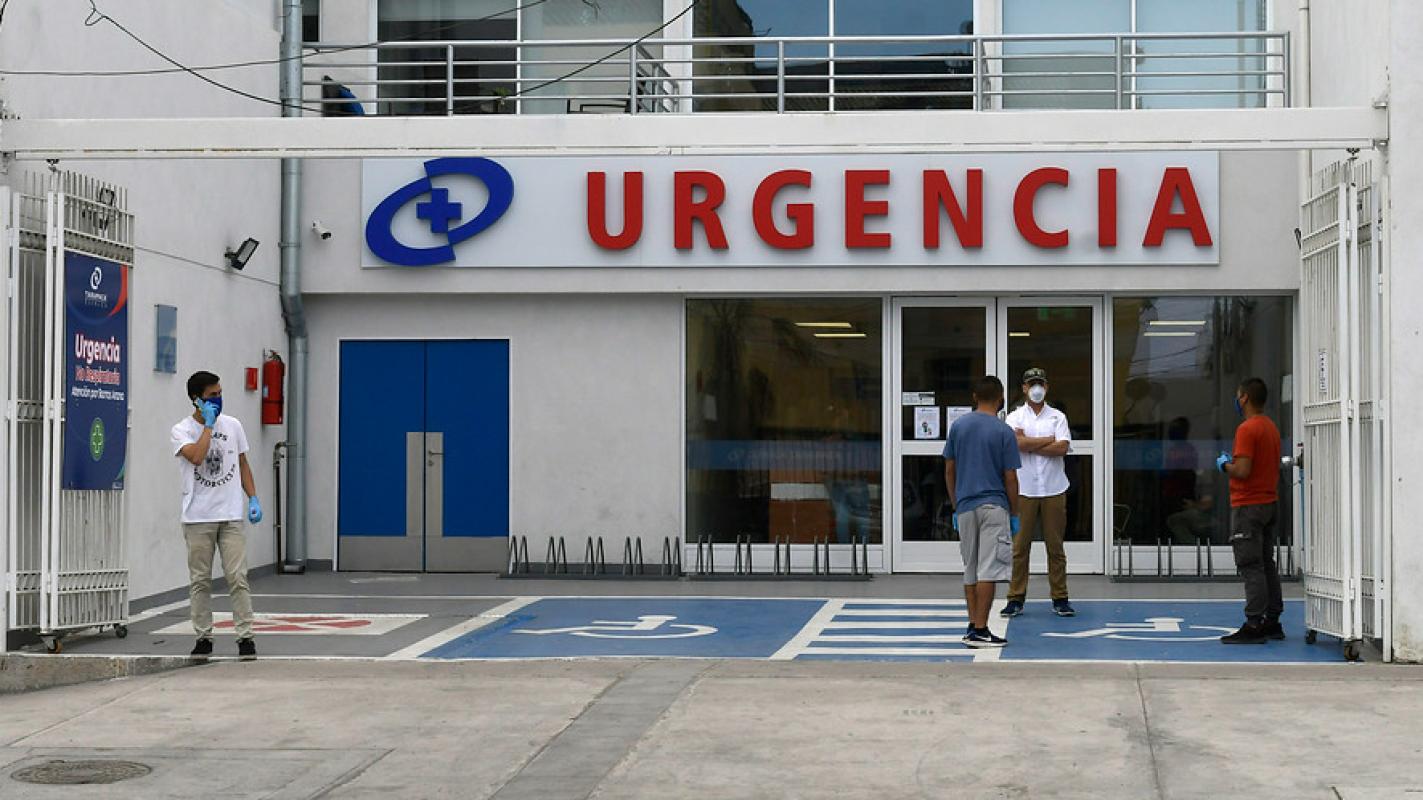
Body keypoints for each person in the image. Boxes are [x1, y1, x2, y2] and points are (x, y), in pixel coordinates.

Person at [170, 371, 263, 660]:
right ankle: (203, 637)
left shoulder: (233, 425)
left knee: (238, 576)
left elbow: (242, 462)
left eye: (220, 393)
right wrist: (208, 427)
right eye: (212, 395)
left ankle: (245, 637)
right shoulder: (181, 430)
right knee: (200, 580)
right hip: (198, 517)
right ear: (196, 399)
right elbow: (197, 457)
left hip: (230, 514)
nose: (218, 399)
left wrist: (252, 497)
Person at [944, 375, 1021, 648]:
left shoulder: (959, 426)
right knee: (989, 569)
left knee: (971, 568)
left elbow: (949, 470)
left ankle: (972, 622)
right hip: (994, 506)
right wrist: (1014, 513)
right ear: (1001, 398)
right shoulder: (1004, 431)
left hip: (965, 506)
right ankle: (980, 629)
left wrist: (956, 505)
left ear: (974, 397)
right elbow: (1010, 477)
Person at [1001, 368, 1074, 618]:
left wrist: (1030, 444)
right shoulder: (1014, 417)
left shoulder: (1057, 417)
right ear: (1024, 388)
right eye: (1031, 384)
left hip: (1054, 488)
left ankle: (1060, 597)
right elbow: (1016, 444)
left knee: (1056, 547)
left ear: (1047, 387)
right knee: (1020, 547)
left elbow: (1062, 448)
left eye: (1040, 383)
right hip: (1024, 490)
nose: (1036, 388)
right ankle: (1015, 598)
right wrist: (1047, 440)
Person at [1216, 377, 1284, 644]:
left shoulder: (1247, 429)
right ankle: (1272, 620)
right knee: (1267, 563)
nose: (1237, 399)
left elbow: (1243, 470)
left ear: (1244, 398)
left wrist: (1225, 465)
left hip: (1248, 505)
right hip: (1269, 502)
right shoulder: (1270, 427)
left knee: (1250, 565)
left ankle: (1253, 623)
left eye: (1238, 395)